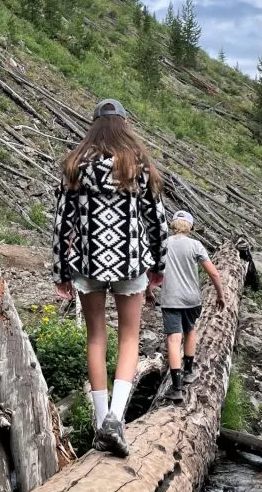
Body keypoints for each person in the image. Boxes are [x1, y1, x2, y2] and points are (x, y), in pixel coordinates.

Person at [52, 99, 168, 457]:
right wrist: (158, 266)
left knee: (96, 337)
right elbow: (156, 220)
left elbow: (62, 223)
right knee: (130, 337)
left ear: (94, 127)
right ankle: (117, 418)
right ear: (124, 125)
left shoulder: (76, 165)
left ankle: (102, 421)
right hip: (130, 264)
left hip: (88, 264)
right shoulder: (138, 164)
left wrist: (60, 270)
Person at [153, 210, 225, 403]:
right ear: (190, 227)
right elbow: (214, 274)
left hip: (171, 299)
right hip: (192, 299)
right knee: (190, 331)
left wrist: (148, 292)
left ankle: (177, 388)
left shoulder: (164, 244)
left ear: (173, 225)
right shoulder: (196, 245)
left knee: (173, 340)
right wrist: (220, 295)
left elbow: (151, 271)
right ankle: (189, 371)